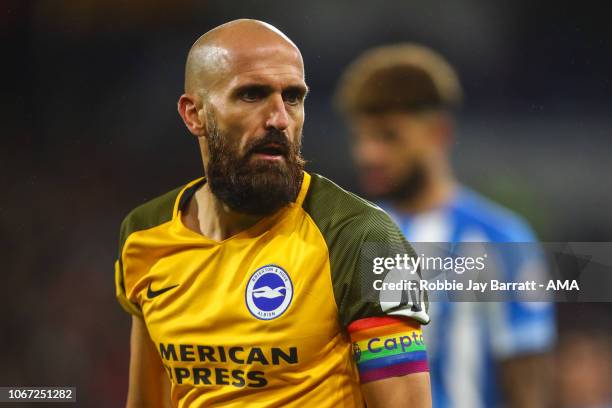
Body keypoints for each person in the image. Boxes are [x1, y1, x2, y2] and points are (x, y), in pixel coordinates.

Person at [114, 20, 432, 407]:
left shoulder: (366, 238)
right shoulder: (143, 234)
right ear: (193, 114)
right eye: (252, 95)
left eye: (293, 97)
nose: (279, 118)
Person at [334, 44, 556, 408]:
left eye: (388, 136)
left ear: (438, 133)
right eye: (361, 138)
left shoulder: (502, 240)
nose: (368, 154)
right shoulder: (350, 238)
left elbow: (528, 381)